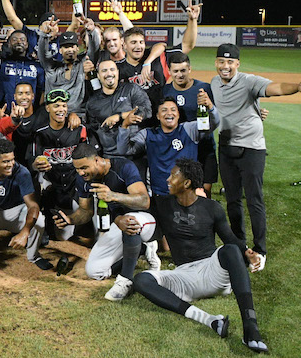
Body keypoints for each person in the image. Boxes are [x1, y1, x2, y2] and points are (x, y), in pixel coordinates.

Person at [133, 159, 268, 354]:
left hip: (212, 271)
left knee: (229, 249)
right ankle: (209, 320)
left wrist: (248, 253)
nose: (168, 179)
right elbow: (139, 204)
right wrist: (119, 216)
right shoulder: (162, 204)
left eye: (173, 176)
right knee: (142, 280)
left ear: (187, 183)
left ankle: (250, 328)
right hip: (183, 276)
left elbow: (230, 239)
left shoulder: (212, 208)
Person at [211, 43, 301, 260]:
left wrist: (297, 86)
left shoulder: (249, 81)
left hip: (252, 148)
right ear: (216, 63)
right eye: (222, 62)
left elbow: (276, 88)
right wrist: (256, 112)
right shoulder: (214, 83)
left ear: (237, 64)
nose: (226, 66)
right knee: (232, 200)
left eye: (230, 62)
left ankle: (260, 249)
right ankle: (239, 245)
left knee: (254, 199)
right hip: (226, 148)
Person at [53, 143, 158, 301]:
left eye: (84, 167)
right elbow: (85, 211)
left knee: (130, 221)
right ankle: (142, 250)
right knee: (94, 271)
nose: (80, 173)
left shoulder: (123, 167)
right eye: (77, 169)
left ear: (96, 160)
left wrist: (114, 196)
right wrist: (70, 220)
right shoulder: (83, 180)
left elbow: (144, 201)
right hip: (118, 224)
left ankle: (125, 280)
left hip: (145, 221)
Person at [0, 139, 51, 269]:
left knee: (39, 219)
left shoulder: (21, 172)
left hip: (15, 213)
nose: (10, 164)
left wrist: (25, 232)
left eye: (12, 160)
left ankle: (34, 256)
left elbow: (33, 206)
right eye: (5, 161)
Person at [116, 95, 219, 196]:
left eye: (173, 110)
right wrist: (125, 126)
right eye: (164, 110)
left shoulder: (189, 129)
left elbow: (214, 123)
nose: (169, 113)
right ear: (158, 116)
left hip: (188, 193)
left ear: (178, 114)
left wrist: (210, 106)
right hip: (160, 193)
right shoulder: (147, 135)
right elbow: (124, 150)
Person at [30, 89, 92, 240]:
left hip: (74, 185)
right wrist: (36, 165)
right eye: (56, 106)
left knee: (84, 223)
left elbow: (90, 159)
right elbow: (31, 163)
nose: (61, 109)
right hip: (52, 187)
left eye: (64, 106)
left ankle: (88, 228)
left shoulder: (79, 129)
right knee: (37, 181)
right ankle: (43, 221)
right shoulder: (40, 133)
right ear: (48, 108)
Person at [163, 52, 218, 197]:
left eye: (183, 70)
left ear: (190, 69)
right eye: (175, 71)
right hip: (179, 148)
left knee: (204, 191)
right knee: (180, 189)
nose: (179, 75)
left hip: (204, 146)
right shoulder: (165, 91)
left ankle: (205, 217)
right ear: (169, 71)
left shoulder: (204, 88)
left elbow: (218, 114)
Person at [85, 60, 152, 158]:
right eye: (104, 71)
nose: (109, 73)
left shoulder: (131, 89)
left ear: (117, 72)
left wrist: (119, 116)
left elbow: (146, 111)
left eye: (112, 69)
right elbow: (92, 131)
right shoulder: (92, 102)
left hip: (135, 153)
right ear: (98, 76)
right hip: (109, 157)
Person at [0, 29, 45, 112]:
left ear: (27, 44)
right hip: (5, 114)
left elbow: (42, 91)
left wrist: (39, 111)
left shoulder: (37, 67)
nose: (19, 42)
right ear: (9, 44)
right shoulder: (1, 65)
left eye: (22, 40)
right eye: (14, 39)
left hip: (30, 115)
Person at [38, 31, 89, 115]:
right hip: (52, 116)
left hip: (77, 116)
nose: (70, 50)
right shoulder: (51, 67)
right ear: (60, 50)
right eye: (66, 47)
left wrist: (91, 32)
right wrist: (44, 35)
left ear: (77, 48)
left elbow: (94, 50)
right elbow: (43, 53)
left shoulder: (83, 65)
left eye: (72, 46)